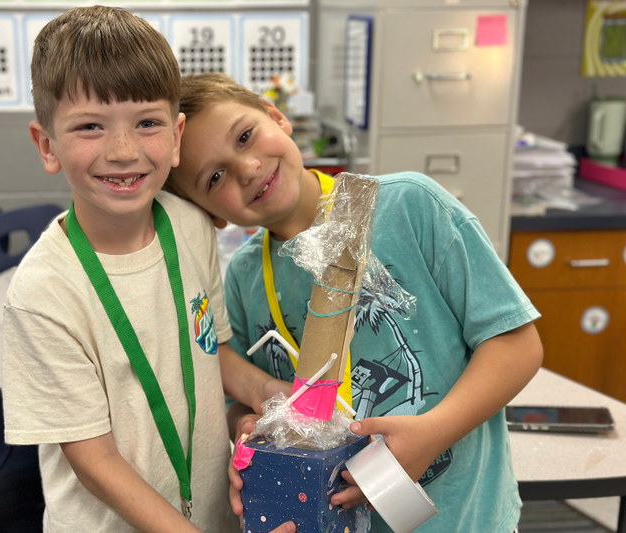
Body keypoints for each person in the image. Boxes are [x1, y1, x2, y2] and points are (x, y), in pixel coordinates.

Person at [164, 72, 544, 533]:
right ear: (212, 215)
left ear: (276, 116)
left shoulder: (410, 207)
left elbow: (517, 345)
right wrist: (252, 434)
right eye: (215, 177)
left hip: (465, 518)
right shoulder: (244, 278)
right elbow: (234, 405)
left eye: (245, 136)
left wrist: (434, 433)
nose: (246, 168)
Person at [1, 9, 295, 533]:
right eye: (90, 126)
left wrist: (269, 394)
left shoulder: (190, 225)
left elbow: (212, 349)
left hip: (211, 515)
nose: (123, 151)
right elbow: (95, 462)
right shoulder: (42, 293)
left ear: (176, 135)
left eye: (147, 123)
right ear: (47, 145)